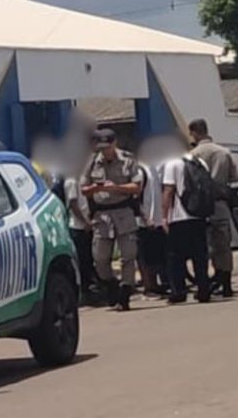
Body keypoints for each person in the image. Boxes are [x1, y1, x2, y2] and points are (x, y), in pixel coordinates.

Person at [81, 129, 142, 311]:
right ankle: (111, 285)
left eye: (107, 147)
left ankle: (125, 292)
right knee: (100, 258)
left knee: (128, 255)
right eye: (102, 148)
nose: (105, 151)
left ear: (114, 143)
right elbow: (83, 189)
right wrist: (96, 188)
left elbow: (136, 186)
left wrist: (116, 187)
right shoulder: (92, 162)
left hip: (123, 211)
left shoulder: (128, 159)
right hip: (102, 215)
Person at [190, 119, 238, 298]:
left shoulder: (192, 155)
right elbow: (234, 177)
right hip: (220, 203)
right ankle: (226, 283)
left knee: (209, 245)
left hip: (201, 207)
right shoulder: (224, 152)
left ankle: (215, 278)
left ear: (194, 132)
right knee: (224, 245)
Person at [162, 140, 211, 304]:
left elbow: (168, 191)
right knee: (200, 255)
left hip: (179, 216)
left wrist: (163, 216)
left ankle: (179, 291)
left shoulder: (172, 164)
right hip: (199, 215)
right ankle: (204, 290)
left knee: (175, 257)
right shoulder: (200, 163)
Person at [64, 174, 97, 302]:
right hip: (77, 227)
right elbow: (73, 204)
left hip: (85, 226)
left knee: (88, 260)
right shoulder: (72, 180)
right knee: (82, 261)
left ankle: (89, 289)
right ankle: (84, 292)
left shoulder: (82, 178)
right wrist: (85, 222)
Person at [137, 160, 167, 296]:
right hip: (143, 221)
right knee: (145, 256)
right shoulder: (139, 169)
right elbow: (135, 197)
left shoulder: (154, 168)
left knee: (155, 254)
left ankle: (156, 285)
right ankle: (149, 286)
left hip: (156, 219)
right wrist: (145, 217)